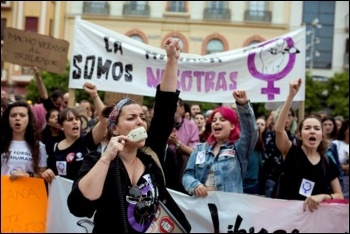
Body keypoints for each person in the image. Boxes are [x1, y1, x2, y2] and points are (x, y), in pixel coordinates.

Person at [67, 38, 191, 233]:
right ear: (115, 128)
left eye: (142, 117)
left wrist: (172, 59)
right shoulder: (98, 159)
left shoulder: (150, 152)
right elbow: (79, 206)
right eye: (131, 118)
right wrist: (107, 158)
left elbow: (166, 107)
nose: (140, 121)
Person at [274, 78, 343, 211]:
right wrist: (291, 97)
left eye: (317, 128)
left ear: (322, 136)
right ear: (300, 135)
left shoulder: (327, 162)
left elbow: (339, 195)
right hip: (288, 220)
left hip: (314, 222)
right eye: (307, 128)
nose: (312, 131)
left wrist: (323, 196)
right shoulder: (290, 151)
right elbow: (279, 130)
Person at [182, 91, 258, 196]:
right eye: (214, 120)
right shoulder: (200, 149)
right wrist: (194, 185)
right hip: (201, 207)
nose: (217, 122)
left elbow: (250, 132)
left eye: (222, 120)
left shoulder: (238, 148)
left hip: (228, 208)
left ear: (232, 126)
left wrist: (243, 106)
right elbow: (187, 175)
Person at [41, 82, 108, 183]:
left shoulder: (87, 141)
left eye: (77, 119)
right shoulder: (56, 147)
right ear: (61, 126)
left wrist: (95, 95)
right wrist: (48, 173)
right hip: (63, 196)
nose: (75, 122)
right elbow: (52, 173)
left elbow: (105, 120)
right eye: (70, 120)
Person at [1, 101, 47, 179]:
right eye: (13, 115)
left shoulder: (38, 146)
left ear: (29, 120)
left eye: (22, 115)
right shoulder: (2, 143)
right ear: (8, 119)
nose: (17, 118)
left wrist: (28, 175)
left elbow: (42, 175)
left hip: (27, 190)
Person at [244, 116, 266, 195]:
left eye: (262, 124)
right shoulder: (244, 147)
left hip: (254, 184)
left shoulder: (260, 148)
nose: (259, 126)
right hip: (244, 183)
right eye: (257, 124)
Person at [332, 119, 349, 199]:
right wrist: (344, 167)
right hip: (340, 180)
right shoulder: (336, 144)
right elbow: (331, 163)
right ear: (345, 130)